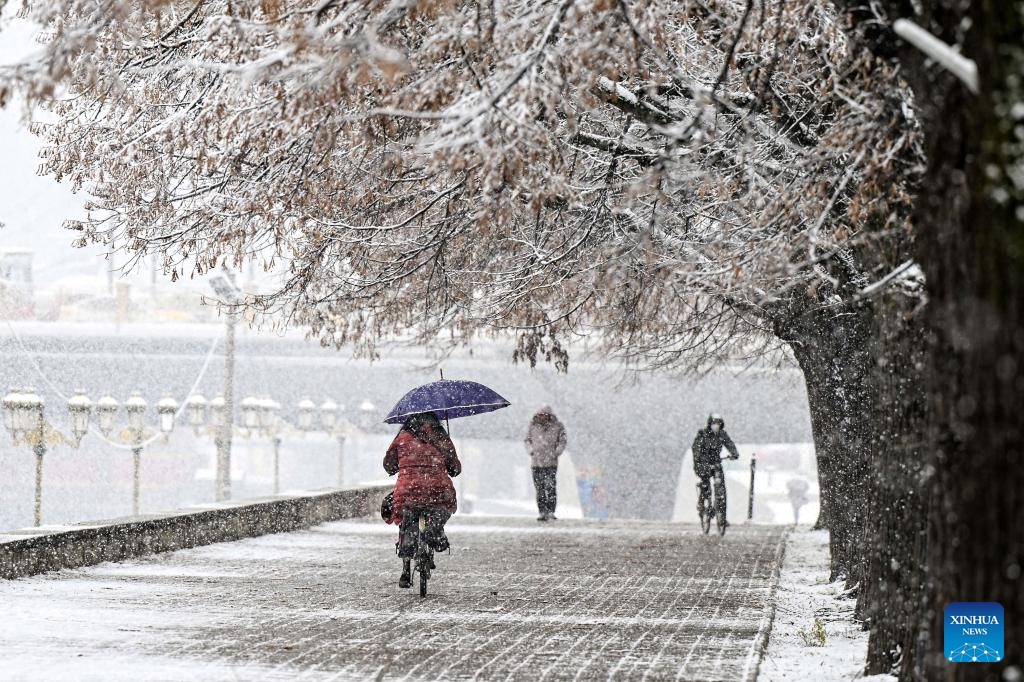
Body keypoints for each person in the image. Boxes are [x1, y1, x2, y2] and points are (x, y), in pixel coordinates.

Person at [383, 411, 462, 588]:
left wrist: (396, 467)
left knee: (407, 520)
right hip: (437, 491)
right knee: (443, 508)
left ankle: (405, 569)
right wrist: (452, 468)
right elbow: (455, 467)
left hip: (408, 490)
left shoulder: (403, 437)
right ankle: (433, 530)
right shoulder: (441, 437)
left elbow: (388, 463)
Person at [692, 413, 740, 526]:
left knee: (720, 487)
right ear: (710, 424)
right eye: (714, 423)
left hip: (716, 462)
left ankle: (721, 515)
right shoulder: (702, 434)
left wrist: (734, 453)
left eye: (718, 424)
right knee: (705, 484)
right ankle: (703, 504)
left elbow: (729, 443)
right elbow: (696, 448)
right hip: (703, 463)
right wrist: (700, 459)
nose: (716, 426)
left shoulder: (722, 434)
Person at [524, 406, 567, 521]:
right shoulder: (532, 426)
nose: (542, 417)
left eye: (545, 415)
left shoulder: (558, 426)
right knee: (540, 489)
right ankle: (542, 512)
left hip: (551, 463)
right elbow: (527, 440)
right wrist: (531, 450)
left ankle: (551, 511)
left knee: (550, 487)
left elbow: (562, 440)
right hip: (536, 463)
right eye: (541, 415)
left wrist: (557, 452)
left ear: (549, 415)